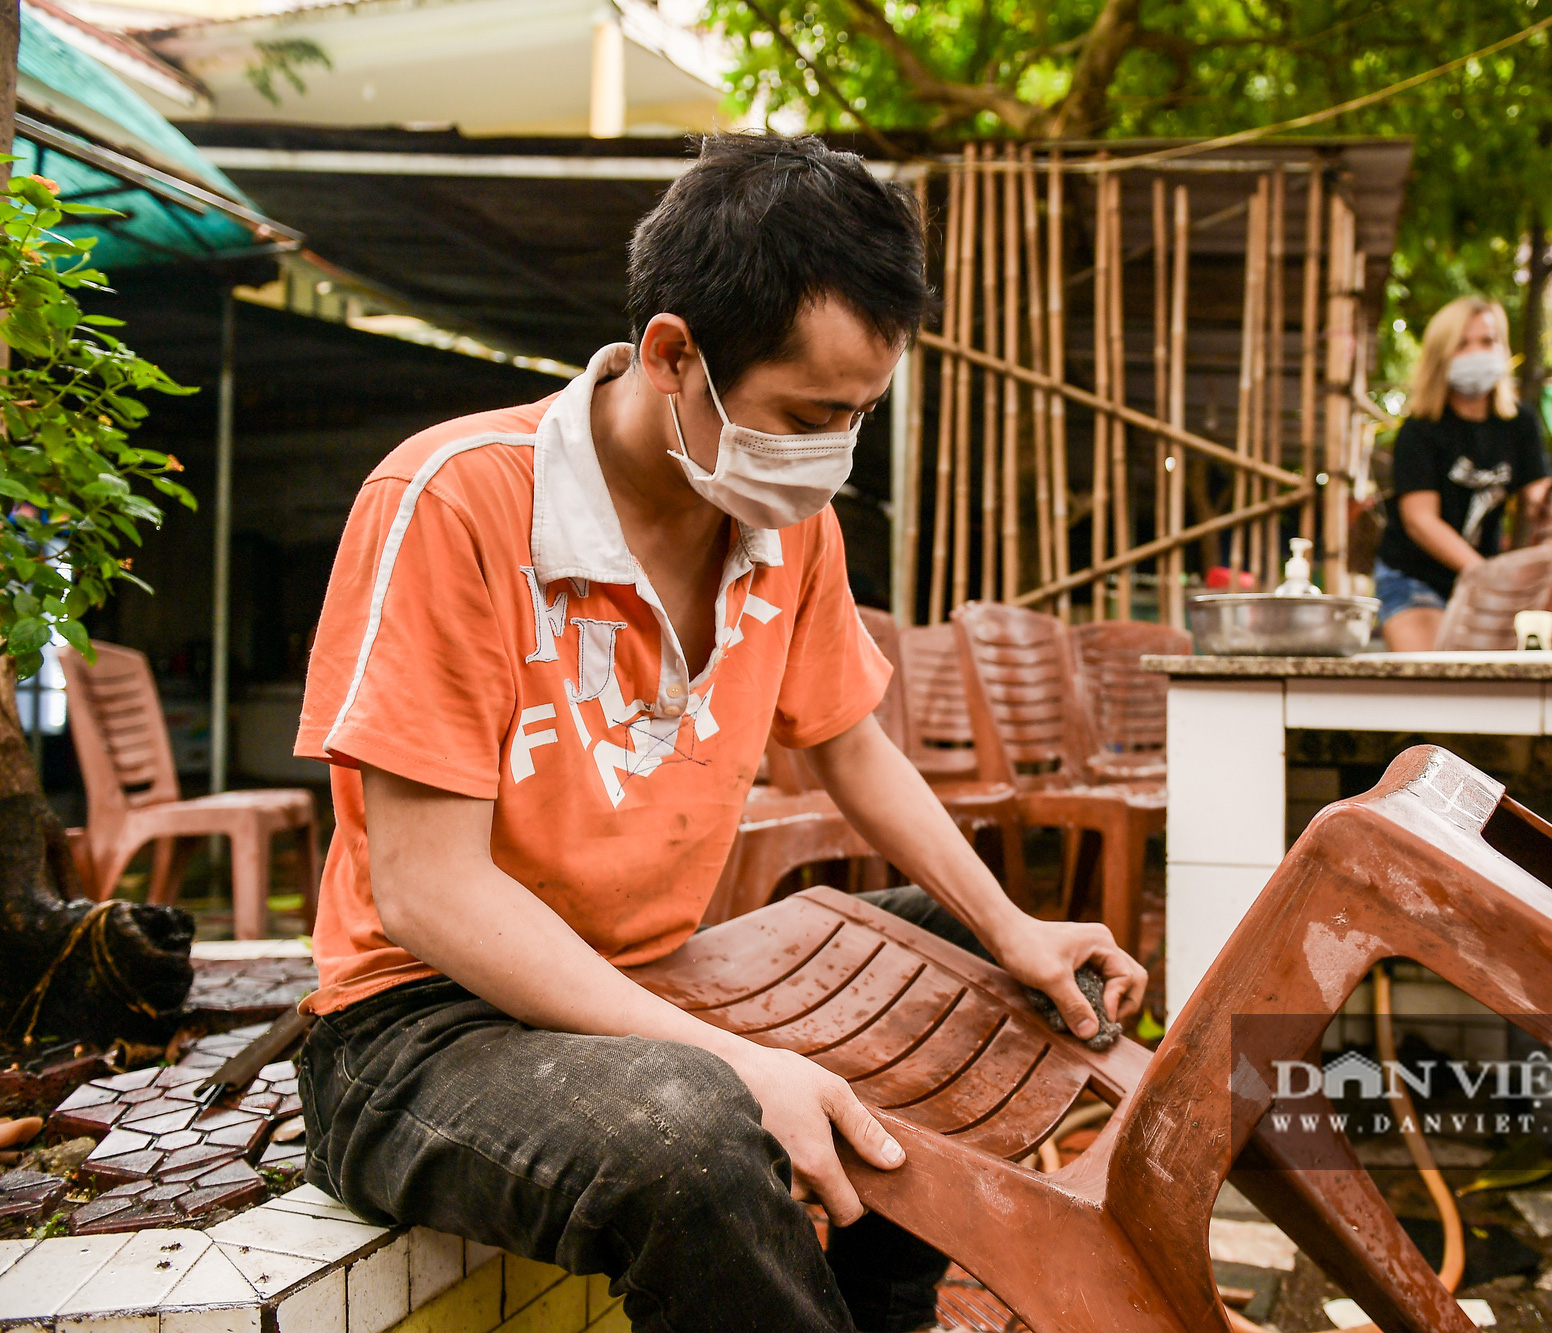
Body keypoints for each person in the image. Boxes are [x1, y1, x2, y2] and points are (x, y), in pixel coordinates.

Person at [291, 134, 1145, 1333]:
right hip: (418, 1028)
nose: (830, 454)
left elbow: (850, 743)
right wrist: (730, 1060)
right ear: (671, 354)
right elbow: (428, 889)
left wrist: (1014, 927)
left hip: (649, 981)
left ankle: (872, 1315)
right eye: (807, 412)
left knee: (965, 961)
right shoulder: (453, 501)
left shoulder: (780, 523)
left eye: (855, 417)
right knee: (693, 1139)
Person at [1372, 295, 1552, 650]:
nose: (1477, 353)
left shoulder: (1520, 424)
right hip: (1416, 579)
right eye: (1462, 344)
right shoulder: (1420, 430)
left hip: (1485, 587)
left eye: (1487, 341)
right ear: (1441, 356)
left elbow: (1541, 500)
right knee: (1433, 682)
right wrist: (1486, 574)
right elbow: (1420, 521)